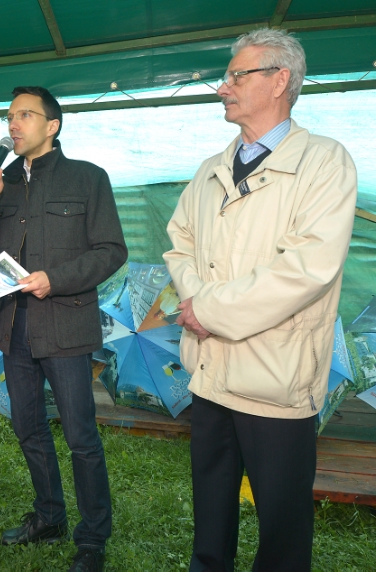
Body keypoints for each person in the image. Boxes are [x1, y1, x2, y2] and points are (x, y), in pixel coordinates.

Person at [163, 28, 357, 571]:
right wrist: (197, 301)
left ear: (279, 81)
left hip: (275, 377)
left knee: (282, 523)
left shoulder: (324, 162)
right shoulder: (211, 169)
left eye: (235, 75)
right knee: (211, 509)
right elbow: (180, 242)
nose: (222, 87)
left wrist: (208, 309)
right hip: (210, 370)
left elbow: (308, 266)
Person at [0, 86, 127, 572]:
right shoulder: (4, 182)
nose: (13, 124)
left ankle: (93, 539)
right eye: (9, 115)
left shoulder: (88, 178)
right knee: (28, 427)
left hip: (65, 325)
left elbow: (110, 250)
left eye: (24, 115)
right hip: (14, 326)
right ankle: (49, 515)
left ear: (52, 125)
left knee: (81, 435)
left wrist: (54, 279)